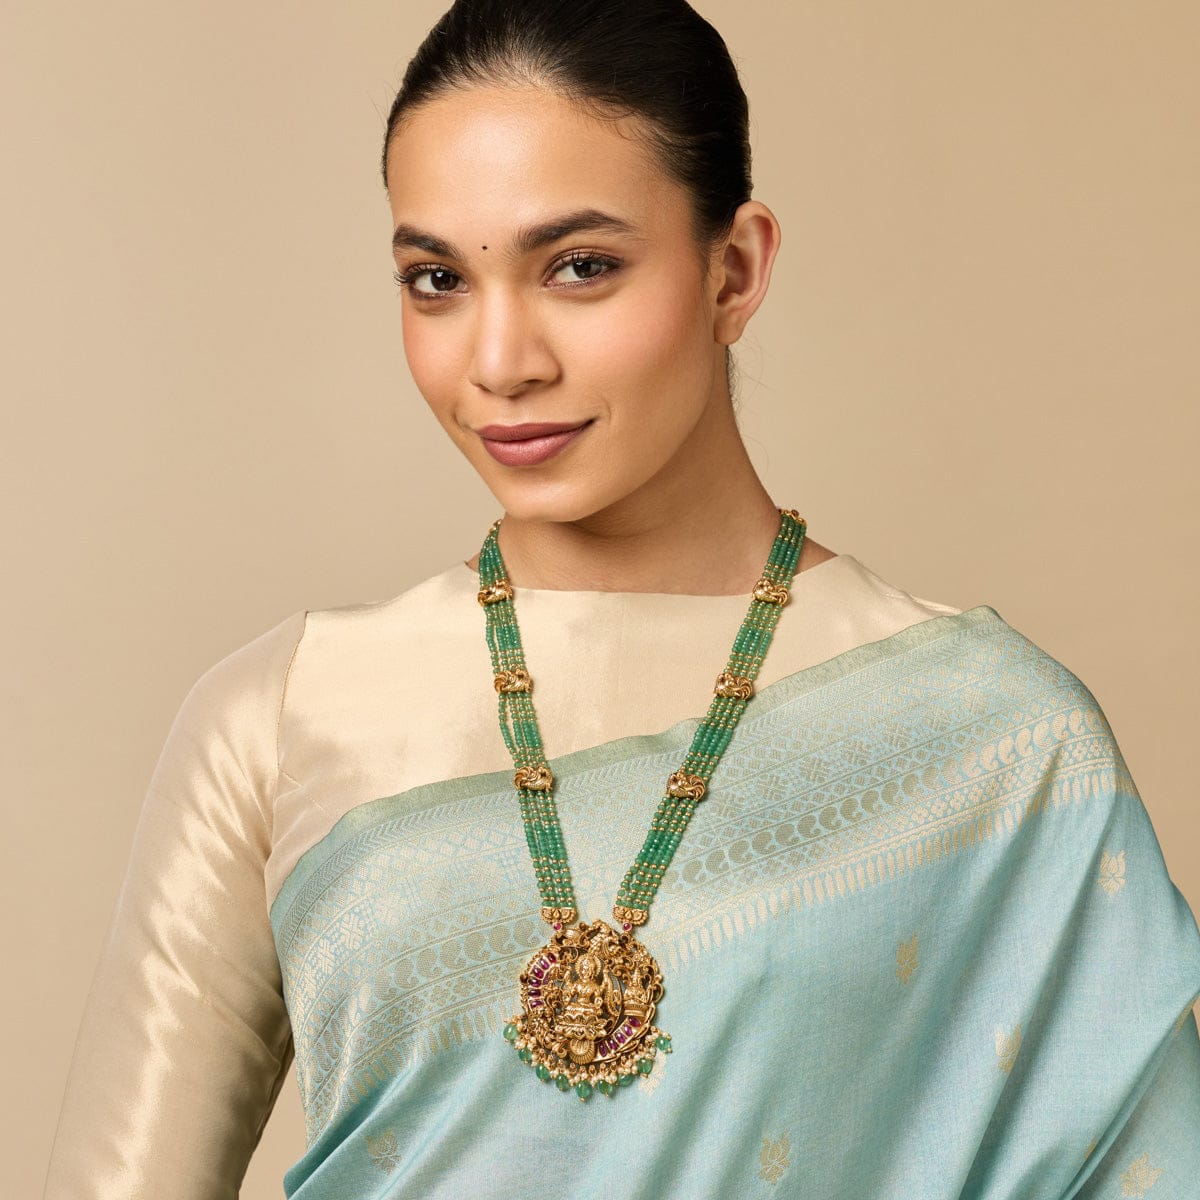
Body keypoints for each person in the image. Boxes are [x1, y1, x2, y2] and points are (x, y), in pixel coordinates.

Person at [45, 1, 1200, 1197]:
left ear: (733, 270)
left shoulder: (996, 739)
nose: (501, 362)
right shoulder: (286, 720)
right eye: (437, 280)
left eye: (580, 268)